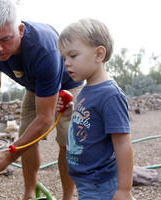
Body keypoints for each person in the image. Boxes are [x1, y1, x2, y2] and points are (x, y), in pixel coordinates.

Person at [0, 0, 83, 199]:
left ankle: (68, 196)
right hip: (35, 87)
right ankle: (29, 193)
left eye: (5, 39)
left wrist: (8, 154)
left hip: (69, 84)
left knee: (67, 140)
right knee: (26, 136)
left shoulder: (44, 49)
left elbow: (45, 118)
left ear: (21, 30)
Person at [57, 18, 134, 200]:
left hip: (100, 184)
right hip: (87, 181)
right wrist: (72, 112)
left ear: (99, 54)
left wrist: (124, 190)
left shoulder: (110, 95)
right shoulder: (87, 89)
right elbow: (91, 120)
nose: (66, 63)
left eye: (73, 55)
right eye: (64, 58)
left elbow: (123, 143)